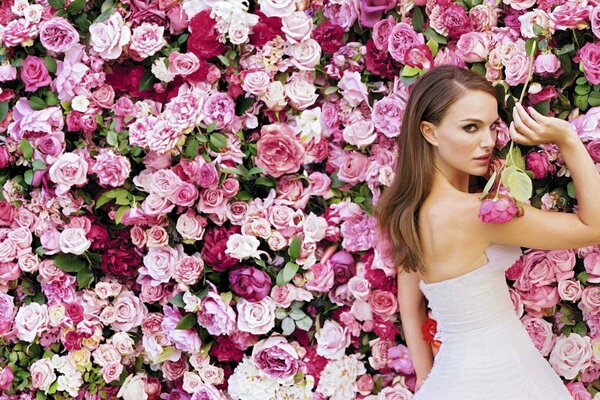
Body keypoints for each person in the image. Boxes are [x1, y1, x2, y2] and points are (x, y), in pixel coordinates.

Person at [375, 65, 600, 399]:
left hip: (453, 381)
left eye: (492, 126)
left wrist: (428, 382)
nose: (488, 142)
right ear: (430, 132)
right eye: (470, 128)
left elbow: (410, 306)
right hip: (503, 376)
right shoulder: (476, 213)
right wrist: (567, 138)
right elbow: (593, 226)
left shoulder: (408, 211)